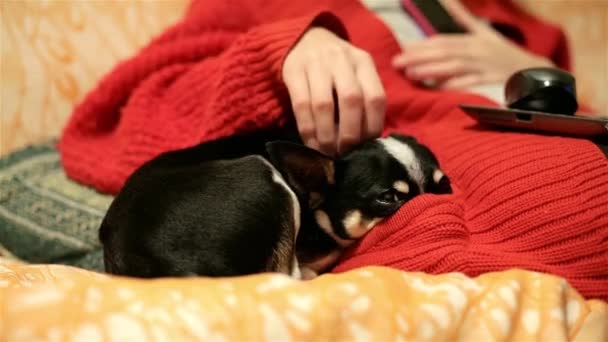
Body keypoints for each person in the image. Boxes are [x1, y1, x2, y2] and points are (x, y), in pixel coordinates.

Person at [58, 0, 608, 301]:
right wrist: (286, 49)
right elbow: (136, 112)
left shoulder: (515, 19)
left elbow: (583, 118)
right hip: (410, 157)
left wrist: (524, 69)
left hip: (522, 145)